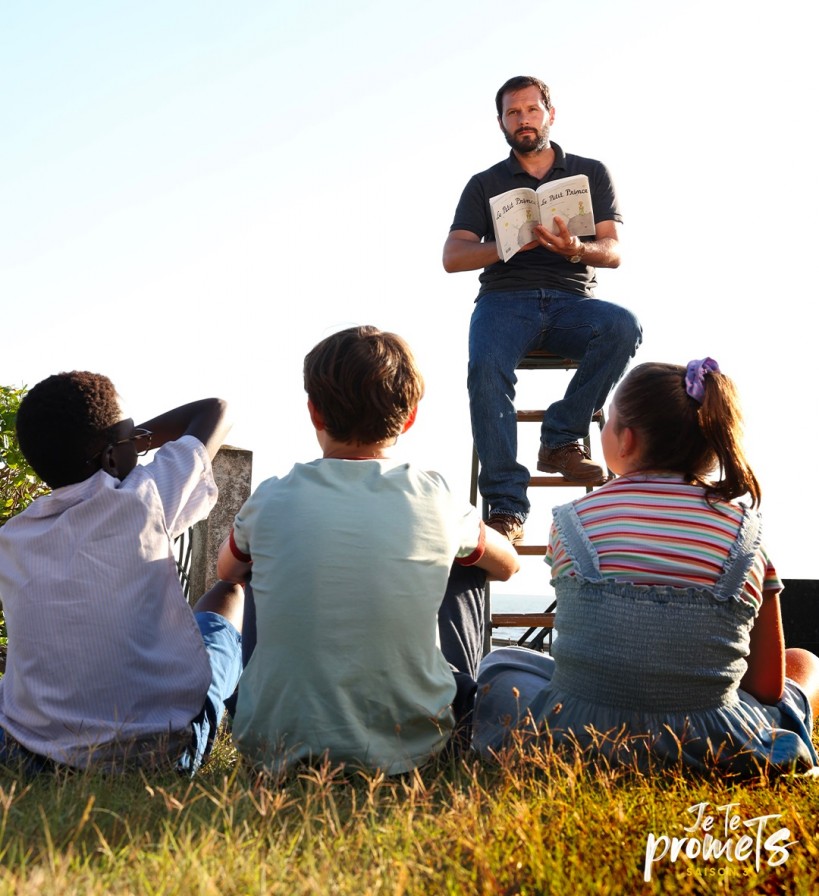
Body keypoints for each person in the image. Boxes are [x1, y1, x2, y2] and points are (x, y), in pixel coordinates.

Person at [472, 359, 819, 774]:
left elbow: (581, 660)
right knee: (805, 663)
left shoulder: (571, 521)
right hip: (710, 741)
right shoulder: (747, 533)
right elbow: (766, 686)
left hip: (581, 733)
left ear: (627, 440)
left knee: (500, 664)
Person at [217, 325, 520, 776]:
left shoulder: (271, 498)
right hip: (415, 744)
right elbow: (508, 566)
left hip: (273, 740)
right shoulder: (435, 496)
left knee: (254, 565)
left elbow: (226, 571)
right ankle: (455, 731)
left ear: (314, 412)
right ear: (411, 416)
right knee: (470, 564)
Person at [0, 371, 244, 774]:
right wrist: (124, 435)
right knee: (227, 596)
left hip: (34, 755)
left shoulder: (12, 537)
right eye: (136, 440)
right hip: (164, 752)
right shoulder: (143, 495)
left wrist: (109, 437)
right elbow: (216, 410)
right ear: (113, 456)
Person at [443, 75, 642, 543]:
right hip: (504, 300)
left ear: (550, 114)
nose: (524, 120)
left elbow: (613, 250)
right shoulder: (484, 183)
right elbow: (453, 257)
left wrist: (575, 246)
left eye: (532, 110)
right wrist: (509, 244)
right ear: (501, 122)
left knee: (623, 326)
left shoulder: (590, 172)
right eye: (514, 113)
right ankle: (506, 509)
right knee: (486, 367)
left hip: (573, 299)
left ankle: (560, 437)